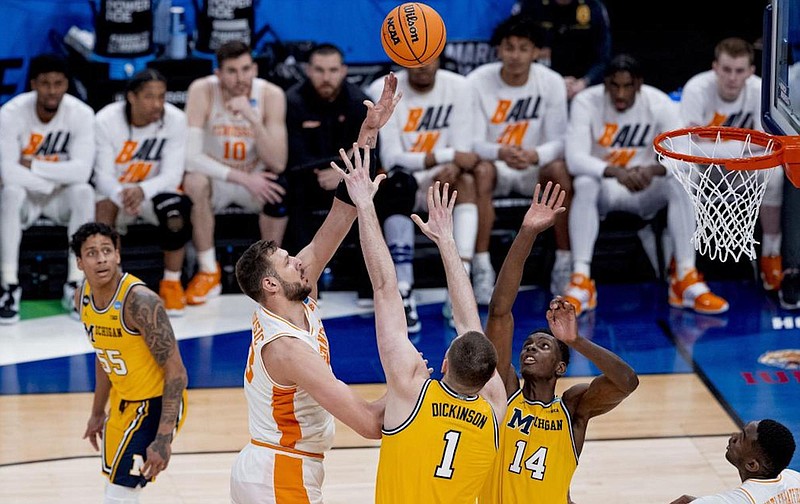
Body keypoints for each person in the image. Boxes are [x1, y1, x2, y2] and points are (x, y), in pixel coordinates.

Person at [228, 73, 400, 504]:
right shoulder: (288, 349)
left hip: (277, 467)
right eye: (288, 261)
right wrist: (410, 388)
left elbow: (339, 217)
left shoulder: (291, 295)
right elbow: (366, 424)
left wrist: (368, 135)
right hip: (279, 474)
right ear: (271, 284)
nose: (300, 262)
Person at [336, 144, 506, 502]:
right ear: (489, 374)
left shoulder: (412, 389)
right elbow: (469, 323)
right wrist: (448, 243)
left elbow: (385, 289)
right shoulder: (494, 404)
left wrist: (366, 205)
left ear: (444, 362)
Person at [478, 181, 639, 503]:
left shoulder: (573, 409)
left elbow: (627, 382)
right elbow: (499, 313)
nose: (530, 348)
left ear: (561, 367)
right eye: (529, 344)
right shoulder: (505, 393)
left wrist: (576, 340)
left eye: (544, 345)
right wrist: (527, 232)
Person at [563, 54, 729, 316]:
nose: (619, 93)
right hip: (607, 187)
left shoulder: (659, 103)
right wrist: (615, 171)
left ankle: (684, 278)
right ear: (605, 83)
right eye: (613, 86)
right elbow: (574, 159)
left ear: (638, 84)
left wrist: (654, 169)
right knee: (584, 182)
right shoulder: (586, 102)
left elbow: (686, 158)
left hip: (645, 186)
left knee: (684, 179)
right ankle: (581, 280)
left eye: (626, 86)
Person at [71, 222, 188, 503]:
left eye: (107, 251)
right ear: (79, 262)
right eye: (91, 253)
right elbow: (103, 355)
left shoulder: (140, 302)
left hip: (156, 403)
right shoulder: (82, 297)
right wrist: (98, 411)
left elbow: (177, 372)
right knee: (118, 483)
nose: (101, 259)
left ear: (118, 255)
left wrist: (163, 438)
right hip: (122, 402)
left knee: (119, 492)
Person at [366, 57, 486, 331]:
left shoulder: (460, 86)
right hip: (404, 180)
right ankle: (404, 290)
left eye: (428, 58)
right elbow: (392, 156)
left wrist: (454, 164)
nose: (422, 65)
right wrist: (448, 156)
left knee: (467, 181)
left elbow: (465, 151)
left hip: (445, 177)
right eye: (415, 59)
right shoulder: (383, 88)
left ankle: (461, 285)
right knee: (397, 182)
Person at [467, 13, 573, 304]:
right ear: (498, 50)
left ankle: (565, 263)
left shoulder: (551, 82)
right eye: (509, 47)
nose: (515, 55)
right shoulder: (476, 82)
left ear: (536, 52)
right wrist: (500, 152)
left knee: (560, 170)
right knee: (480, 170)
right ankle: (482, 265)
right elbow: (470, 142)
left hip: (534, 167)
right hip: (496, 165)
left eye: (523, 48)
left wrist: (535, 154)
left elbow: (562, 141)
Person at [182, 40, 288, 306]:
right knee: (193, 182)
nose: (240, 78)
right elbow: (191, 158)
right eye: (231, 71)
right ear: (218, 74)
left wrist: (253, 118)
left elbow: (278, 162)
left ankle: (270, 271)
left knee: (279, 187)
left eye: (245, 69)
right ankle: (208, 271)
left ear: (254, 68)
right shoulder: (202, 90)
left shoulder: (271, 95)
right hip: (218, 178)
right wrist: (242, 178)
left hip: (257, 179)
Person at [680, 37, 784, 292]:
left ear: (751, 71)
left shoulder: (761, 90)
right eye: (726, 70)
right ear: (715, 67)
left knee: (775, 173)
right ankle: (683, 265)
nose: (732, 78)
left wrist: (714, 143)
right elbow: (687, 144)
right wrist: (742, 146)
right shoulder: (696, 88)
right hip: (703, 169)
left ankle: (771, 255)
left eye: (739, 71)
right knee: (681, 174)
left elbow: (769, 144)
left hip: (742, 170)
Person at [0, 53, 95, 324]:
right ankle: (8, 285)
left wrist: (32, 166)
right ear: (33, 84)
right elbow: (7, 172)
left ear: (66, 84)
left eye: (58, 83)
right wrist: (54, 177)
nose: (52, 91)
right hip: (26, 196)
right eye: (45, 84)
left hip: (59, 197)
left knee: (83, 191)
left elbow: (82, 172)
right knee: (10, 192)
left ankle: (76, 284)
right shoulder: (10, 113)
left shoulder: (81, 114)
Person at [93, 68, 193, 316]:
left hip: (152, 193)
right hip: (114, 193)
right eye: (149, 97)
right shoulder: (105, 120)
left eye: (162, 96)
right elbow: (101, 175)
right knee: (104, 208)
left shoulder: (176, 119)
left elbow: (173, 175)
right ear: (131, 97)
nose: (157, 104)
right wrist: (122, 194)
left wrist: (141, 190)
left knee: (175, 211)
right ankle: (109, 286)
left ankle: (172, 283)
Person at [283, 42, 373, 302]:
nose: (326, 77)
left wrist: (342, 174)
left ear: (344, 70)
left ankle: (366, 286)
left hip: (348, 177)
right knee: (290, 191)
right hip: (307, 178)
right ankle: (301, 284)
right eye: (320, 70)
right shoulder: (293, 101)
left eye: (333, 70)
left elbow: (367, 151)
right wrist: (322, 174)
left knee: (369, 193)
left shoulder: (358, 101)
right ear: (308, 70)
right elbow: (292, 153)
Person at [669, 419, 798, 503]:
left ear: (752, 465)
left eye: (741, 438)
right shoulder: (794, 477)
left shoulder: (737, 500)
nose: (733, 437)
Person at [514, 0, 613, 100]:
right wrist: (556, 82)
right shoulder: (531, 5)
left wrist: (585, 82)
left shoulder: (594, 7)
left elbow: (604, 58)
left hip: (583, 87)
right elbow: (517, 53)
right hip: (539, 84)